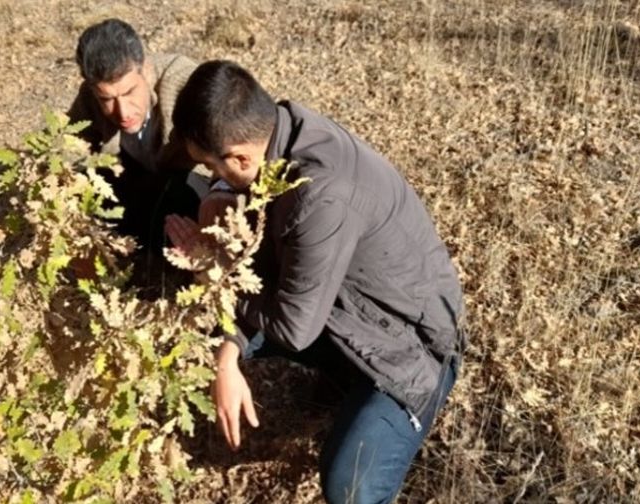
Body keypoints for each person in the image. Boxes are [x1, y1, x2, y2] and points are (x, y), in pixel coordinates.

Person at [165, 60, 466, 504]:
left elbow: (292, 328)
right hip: (346, 310)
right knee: (211, 329)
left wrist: (216, 269)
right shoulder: (282, 136)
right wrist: (226, 357)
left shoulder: (319, 194)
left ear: (240, 156)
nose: (218, 183)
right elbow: (263, 268)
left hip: (415, 350)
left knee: (349, 485)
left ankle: (381, 399)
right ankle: (344, 378)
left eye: (215, 169)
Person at [69, 18, 224, 250]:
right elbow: (69, 147)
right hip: (138, 184)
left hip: (189, 186)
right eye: (107, 100)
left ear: (147, 70)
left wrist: (220, 194)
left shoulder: (186, 83)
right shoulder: (90, 96)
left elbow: (229, 147)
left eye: (130, 92)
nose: (122, 111)